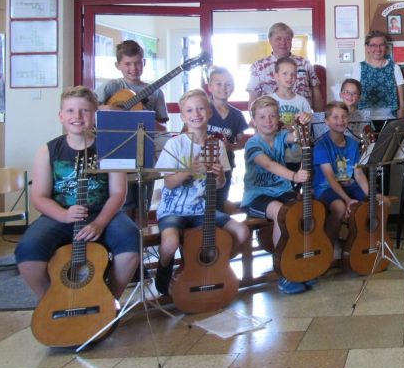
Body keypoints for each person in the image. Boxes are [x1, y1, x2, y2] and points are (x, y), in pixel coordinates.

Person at [15, 87, 140, 300]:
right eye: (71, 111)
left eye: (85, 111)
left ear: (95, 115)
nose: (77, 116)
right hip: (59, 215)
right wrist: (63, 215)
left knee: (131, 241)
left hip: (103, 214)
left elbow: (118, 193)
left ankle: (108, 301)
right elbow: (39, 197)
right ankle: (52, 301)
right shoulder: (48, 150)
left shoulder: (110, 147)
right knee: (27, 252)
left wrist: (99, 222)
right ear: (61, 116)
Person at [152, 90, 249, 296]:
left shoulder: (218, 144)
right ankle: (164, 269)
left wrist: (219, 174)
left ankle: (205, 267)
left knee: (242, 232)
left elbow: (220, 184)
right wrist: (189, 170)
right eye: (189, 110)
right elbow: (169, 183)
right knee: (170, 243)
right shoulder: (175, 144)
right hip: (173, 210)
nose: (196, 113)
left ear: (209, 112)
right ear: (183, 117)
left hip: (201, 209)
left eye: (201, 108)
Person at [241, 96, 314, 295]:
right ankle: (284, 271)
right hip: (257, 196)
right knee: (282, 213)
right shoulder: (252, 144)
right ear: (253, 121)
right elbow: (268, 165)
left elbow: (297, 136)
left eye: (272, 116)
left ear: (279, 118)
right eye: (262, 117)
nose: (268, 121)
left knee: (302, 212)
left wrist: (303, 122)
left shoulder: (282, 136)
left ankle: (301, 261)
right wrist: (294, 176)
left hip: (282, 191)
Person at [96, 40, 167, 215]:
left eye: (138, 62)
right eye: (128, 64)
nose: (133, 68)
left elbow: (163, 128)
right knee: (123, 203)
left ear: (144, 62)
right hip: (117, 150)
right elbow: (92, 109)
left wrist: (144, 115)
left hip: (146, 151)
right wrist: (115, 110)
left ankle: (141, 238)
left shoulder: (155, 92)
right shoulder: (112, 87)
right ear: (118, 65)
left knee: (143, 204)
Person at [314, 101, 385, 247]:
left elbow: (358, 173)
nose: (340, 121)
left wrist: (371, 195)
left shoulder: (353, 144)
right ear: (326, 121)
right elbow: (330, 178)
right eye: (335, 117)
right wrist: (347, 200)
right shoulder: (321, 146)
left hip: (349, 186)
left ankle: (359, 244)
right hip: (326, 188)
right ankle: (328, 245)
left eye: (344, 117)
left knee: (381, 201)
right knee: (340, 207)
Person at [247, 22, 321, 110]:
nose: (283, 43)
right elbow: (253, 96)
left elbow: (316, 93)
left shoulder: (304, 63)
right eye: (278, 38)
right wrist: (255, 121)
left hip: (303, 119)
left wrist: (318, 120)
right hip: (271, 120)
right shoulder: (258, 66)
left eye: (287, 39)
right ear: (270, 41)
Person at [206, 67, 249, 210]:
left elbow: (241, 142)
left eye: (228, 84)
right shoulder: (201, 111)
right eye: (218, 84)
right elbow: (187, 134)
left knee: (220, 202)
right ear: (210, 87)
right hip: (202, 166)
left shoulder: (237, 115)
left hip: (226, 166)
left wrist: (230, 147)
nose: (223, 88)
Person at [351, 30, 404, 121]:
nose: (378, 49)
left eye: (381, 45)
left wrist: (400, 119)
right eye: (373, 45)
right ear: (367, 48)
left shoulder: (395, 67)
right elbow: (353, 96)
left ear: (386, 47)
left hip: (390, 118)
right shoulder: (358, 68)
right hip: (363, 118)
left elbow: (401, 99)